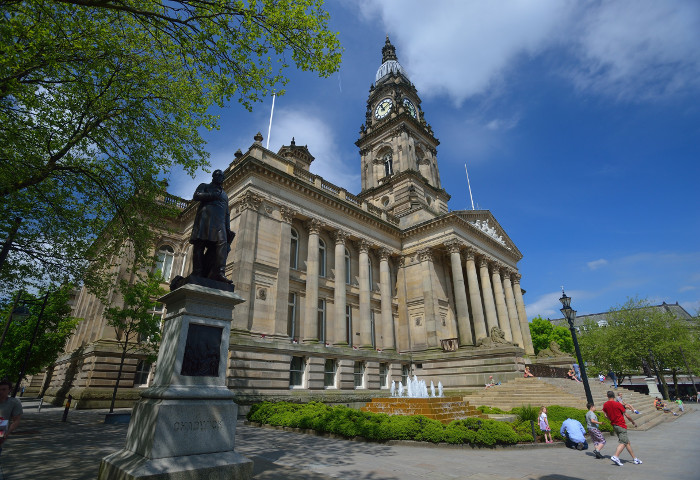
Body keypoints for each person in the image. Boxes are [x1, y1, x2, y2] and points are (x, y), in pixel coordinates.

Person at [189, 169, 235, 283]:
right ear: (213, 177)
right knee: (200, 244)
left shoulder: (224, 194)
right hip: (205, 219)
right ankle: (197, 271)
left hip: (219, 223)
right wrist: (212, 195)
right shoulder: (205, 186)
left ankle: (220, 272)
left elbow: (227, 213)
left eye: (221, 176)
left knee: (223, 244)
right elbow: (197, 195)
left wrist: (228, 228)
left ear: (223, 179)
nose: (219, 177)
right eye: (217, 175)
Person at [603, 390, 641, 466]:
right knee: (623, 442)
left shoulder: (605, 405)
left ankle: (635, 459)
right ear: (614, 396)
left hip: (614, 425)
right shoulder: (618, 404)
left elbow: (605, 415)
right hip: (621, 425)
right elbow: (627, 415)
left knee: (627, 442)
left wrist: (611, 419)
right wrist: (633, 422)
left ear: (607, 396)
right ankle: (616, 456)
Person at [0, 378, 23, 456]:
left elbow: (16, 420)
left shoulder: (14, 402)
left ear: (9, 390)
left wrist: (7, 433)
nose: (1, 392)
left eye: (4, 389)